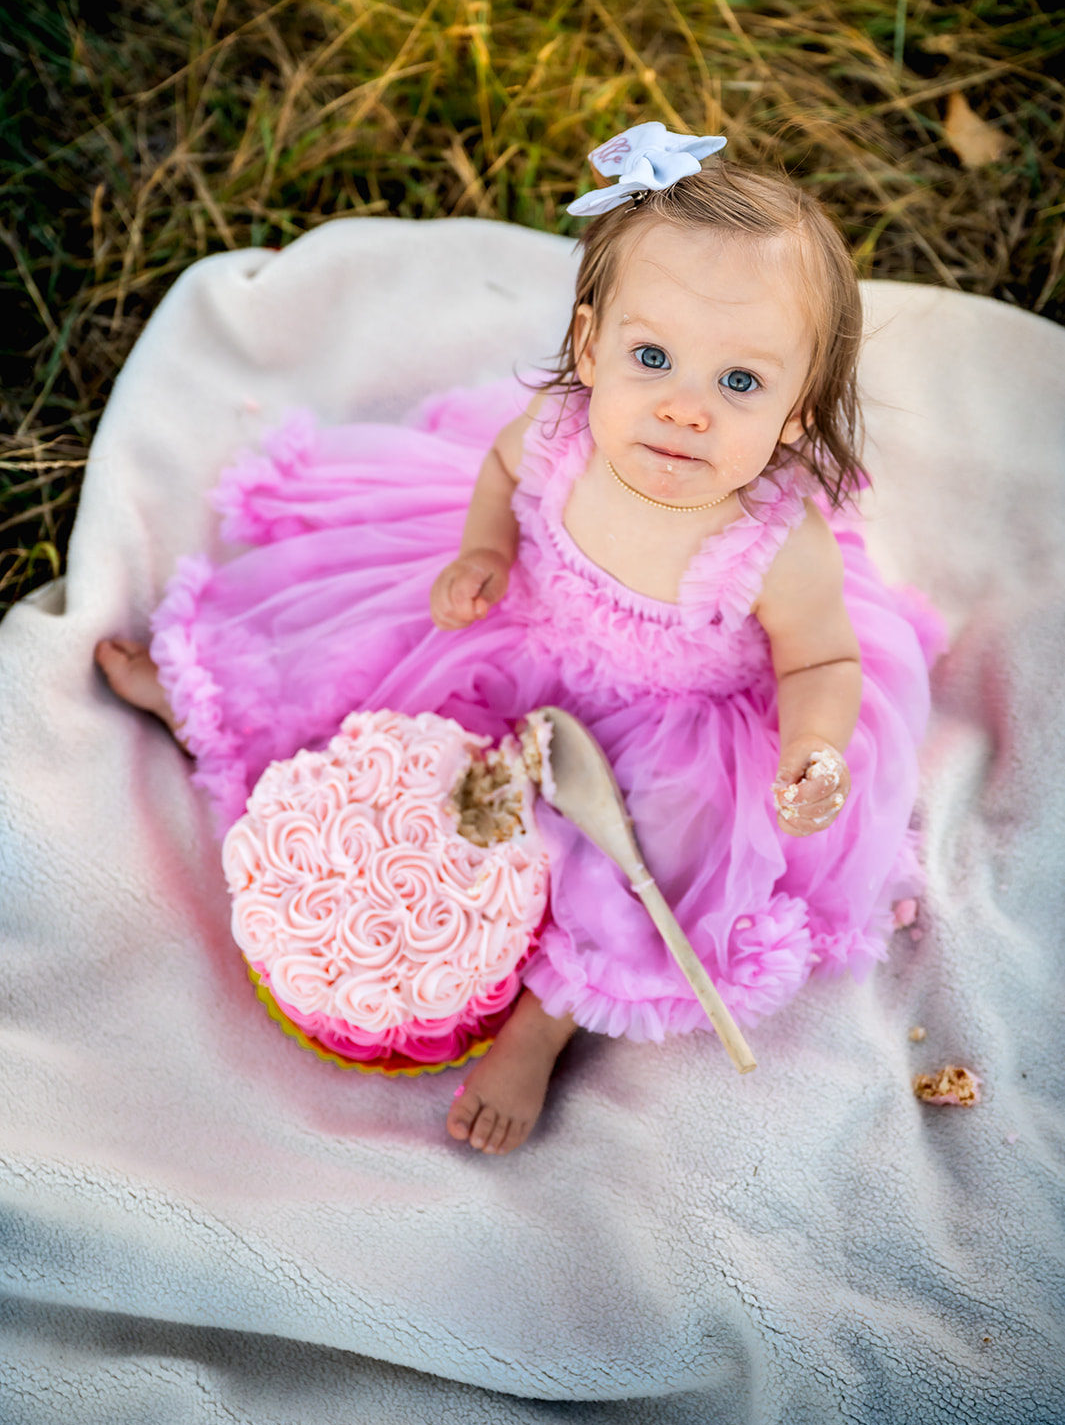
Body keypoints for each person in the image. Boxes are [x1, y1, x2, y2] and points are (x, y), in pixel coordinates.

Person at [96, 123, 942, 1157]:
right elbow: (498, 475)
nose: (683, 409)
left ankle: (545, 1022)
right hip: (527, 627)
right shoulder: (558, 435)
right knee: (374, 676)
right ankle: (227, 709)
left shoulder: (775, 541)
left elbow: (822, 659)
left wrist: (812, 747)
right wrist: (484, 554)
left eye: (739, 383)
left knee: (658, 862)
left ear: (798, 412)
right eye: (651, 358)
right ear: (590, 349)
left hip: (678, 718)